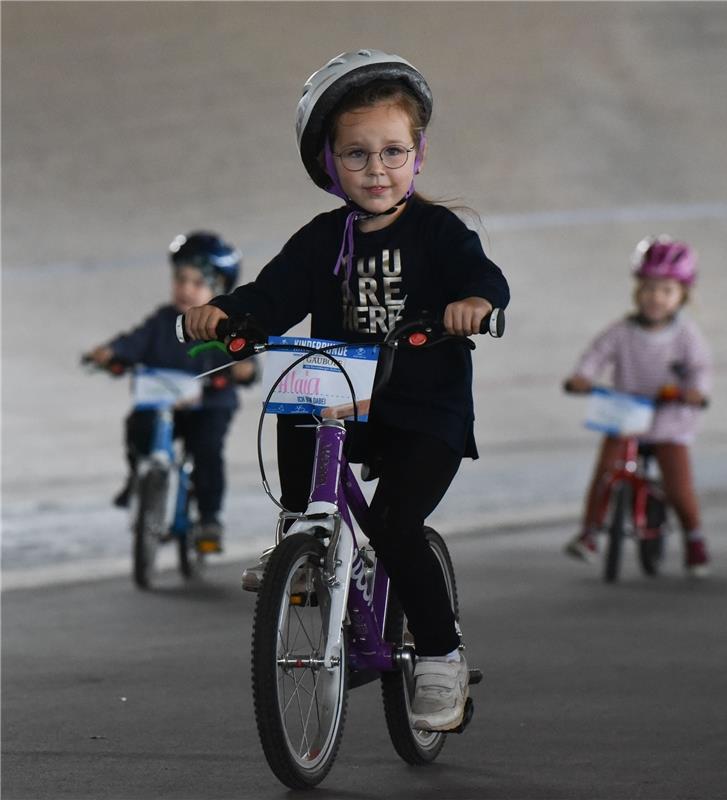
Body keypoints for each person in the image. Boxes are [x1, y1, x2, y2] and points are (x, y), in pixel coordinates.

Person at [183, 49, 510, 730]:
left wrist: (474, 303)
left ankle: (442, 657)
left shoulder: (438, 233)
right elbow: (270, 297)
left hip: (427, 407)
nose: (377, 169)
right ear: (329, 163)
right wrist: (224, 316)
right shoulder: (321, 241)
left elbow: (485, 279)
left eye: (393, 151)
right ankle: (303, 532)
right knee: (297, 404)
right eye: (357, 155)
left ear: (417, 154)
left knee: (395, 526)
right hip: (348, 395)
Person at [85, 231, 256, 552]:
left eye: (196, 282)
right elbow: (132, 342)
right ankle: (140, 478)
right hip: (166, 403)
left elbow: (243, 356)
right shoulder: (163, 321)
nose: (185, 288)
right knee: (139, 425)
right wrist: (110, 353)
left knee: (207, 451)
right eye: (180, 279)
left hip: (210, 405)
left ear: (218, 289)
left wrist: (243, 368)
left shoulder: (225, 324)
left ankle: (208, 519)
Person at [563, 235, 713, 576]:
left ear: (682, 296)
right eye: (648, 288)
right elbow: (595, 355)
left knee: (677, 482)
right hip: (626, 413)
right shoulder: (621, 331)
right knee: (605, 470)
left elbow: (700, 368)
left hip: (669, 416)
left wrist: (696, 391)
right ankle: (590, 532)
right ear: (636, 290)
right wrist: (581, 377)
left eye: (666, 291)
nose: (655, 298)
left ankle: (694, 536)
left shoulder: (686, 335)